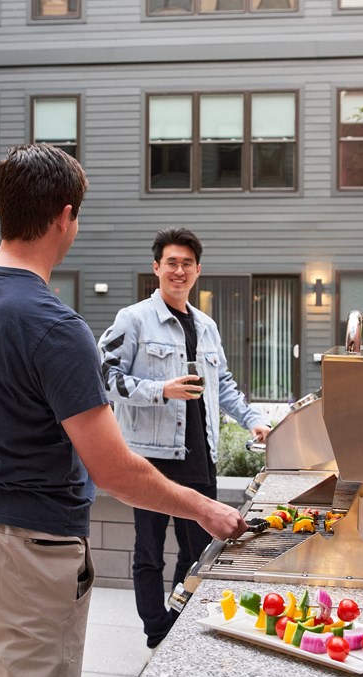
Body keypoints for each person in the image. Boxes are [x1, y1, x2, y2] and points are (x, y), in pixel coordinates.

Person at [0, 144, 247, 677]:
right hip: (34, 549)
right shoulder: (57, 327)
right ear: (66, 217)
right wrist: (203, 508)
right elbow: (112, 469)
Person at [98, 227, 272, 648]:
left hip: (200, 457)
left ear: (198, 271)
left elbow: (224, 384)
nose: (179, 270)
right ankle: (156, 630)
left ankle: (178, 620)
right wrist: (162, 390)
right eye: (171, 262)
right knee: (149, 552)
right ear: (156, 267)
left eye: (187, 264)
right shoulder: (133, 319)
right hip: (151, 459)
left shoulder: (207, 326)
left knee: (199, 552)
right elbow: (105, 379)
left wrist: (253, 419)